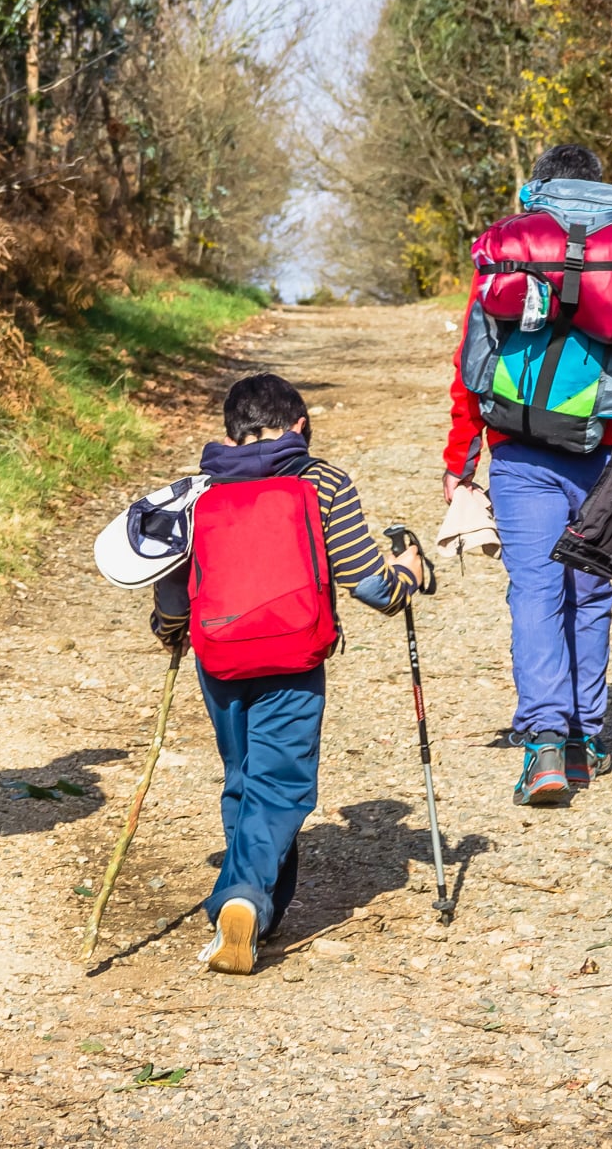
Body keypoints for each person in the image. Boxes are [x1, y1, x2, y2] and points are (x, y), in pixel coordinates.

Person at [153, 374, 424, 975]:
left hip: (218, 657)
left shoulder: (199, 491)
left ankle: (258, 913)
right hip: (290, 653)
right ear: (300, 425)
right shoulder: (322, 480)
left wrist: (171, 631)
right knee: (281, 785)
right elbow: (373, 588)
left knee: (245, 777)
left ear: (231, 431)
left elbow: (172, 596)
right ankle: (243, 898)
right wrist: (410, 572)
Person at [442, 144, 612, 805]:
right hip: (607, 452)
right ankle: (584, 739)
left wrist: (459, 463)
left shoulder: (513, 249)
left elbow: (472, 360)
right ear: (602, 187)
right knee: (593, 591)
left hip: (520, 450)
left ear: (536, 189)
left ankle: (544, 743)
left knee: (536, 592)